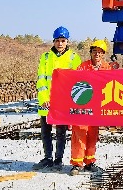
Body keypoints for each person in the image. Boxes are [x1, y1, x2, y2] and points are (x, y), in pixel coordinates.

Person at [33, 26, 82, 171]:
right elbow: (41, 80)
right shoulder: (46, 57)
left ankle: (58, 160)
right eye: (57, 40)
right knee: (45, 131)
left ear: (67, 41)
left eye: (63, 40)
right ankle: (48, 158)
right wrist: (44, 99)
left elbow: (77, 81)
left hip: (62, 102)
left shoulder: (74, 58)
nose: (60, 43)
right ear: (53, 41)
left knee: (61, 132)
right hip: (46, 101)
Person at [69, 39, 112, 176]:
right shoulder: (82, 67)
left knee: (93, 135)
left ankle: (89, 162)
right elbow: (74, 84)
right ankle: (77, 164)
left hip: (97, 108)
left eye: (100, 52)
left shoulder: (107, 68)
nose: (97, 54)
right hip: (83, 106)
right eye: (94, 51)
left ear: (103, 54)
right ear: (91, 52)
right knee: (79, 134)